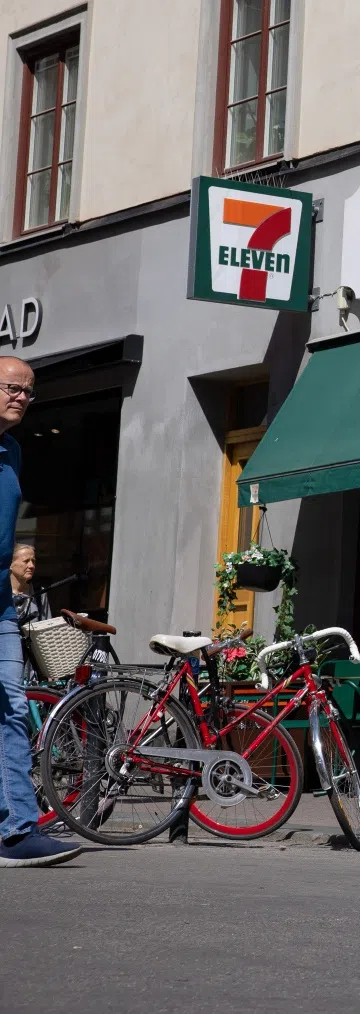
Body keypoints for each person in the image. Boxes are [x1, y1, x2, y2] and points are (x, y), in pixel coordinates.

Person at [0, 359, 78, 866]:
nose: (22, 398)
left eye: (29, 392)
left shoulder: (12, 451)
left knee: (10, 710)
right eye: (12, 387)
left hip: (0, 608)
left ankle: (15, 832)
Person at [8, 544, 37, 624]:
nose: (32, 566)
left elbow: (47, 625)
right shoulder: (3, 593)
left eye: (33, 561)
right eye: (26, 561)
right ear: (10, 564)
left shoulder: (39, 593)